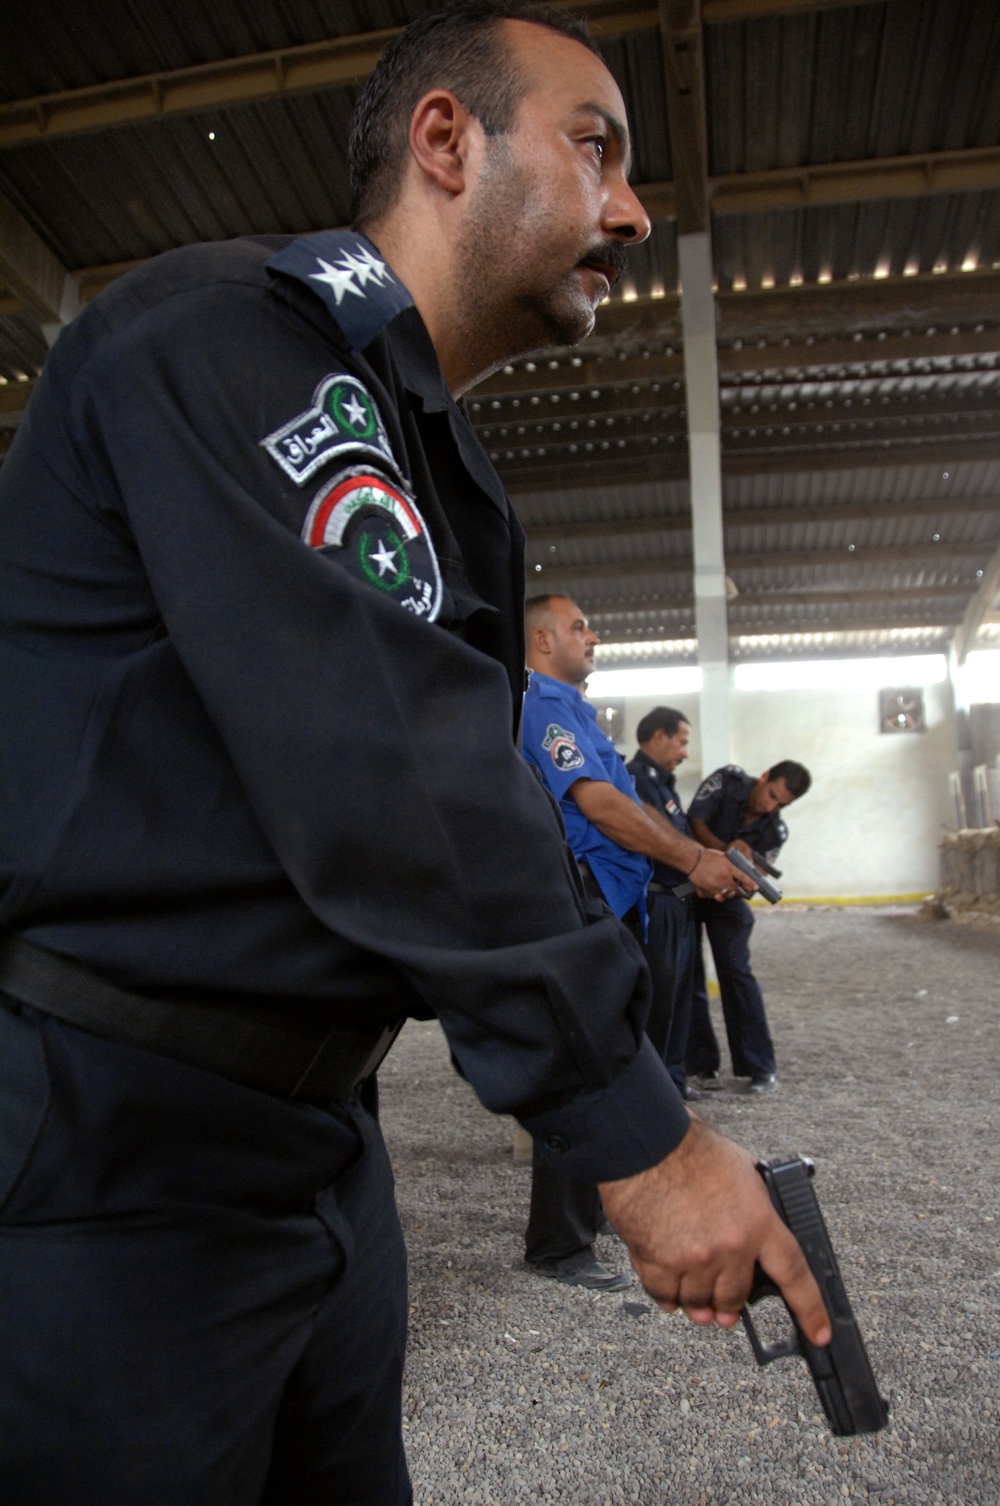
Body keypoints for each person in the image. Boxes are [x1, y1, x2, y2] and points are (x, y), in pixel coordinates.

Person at [0, 7, 829, 1502]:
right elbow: (390, 766)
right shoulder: (225, 335)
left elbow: (486, 784)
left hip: (321, 1146)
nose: (633, 210)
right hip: (111, 1164)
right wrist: (631, 1132)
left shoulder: (459, 489)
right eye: (597, 148)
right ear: (447, 142)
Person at [519, 600, 749, 1290]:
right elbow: (600, 805)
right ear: (541, 638)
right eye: (580, 625)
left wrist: (693, 857)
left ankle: (598, 1217)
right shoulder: (538, 705)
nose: (594, 633)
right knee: (584, 1069)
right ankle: (558, 1243)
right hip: (579, 903)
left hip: (612, 905)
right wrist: (688, 860)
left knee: (614, 1063)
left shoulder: (577, 710)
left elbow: (633, 803)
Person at [685, 762, 813, 1095]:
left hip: (727, 900)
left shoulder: (775, 831)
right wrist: (727, 853)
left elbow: (755, 881)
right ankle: (700, 1065)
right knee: (688, 973)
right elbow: (695, 821)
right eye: (771, 795)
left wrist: (735, 882)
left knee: (737, 973)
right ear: (766, 775)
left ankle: (759, 1066)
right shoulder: (727, 781)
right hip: (686, 886)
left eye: (781, 804)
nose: (770, 806)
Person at [626, 706, 701, 1101]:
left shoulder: (662, 782)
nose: (685, 752)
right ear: (659, 737)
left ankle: (673, 1084)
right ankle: (654, 1093)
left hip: (681, 903)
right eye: (682, 741)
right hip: (658, 904)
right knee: (658, 1000)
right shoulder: (635, 780)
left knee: (679, 999)